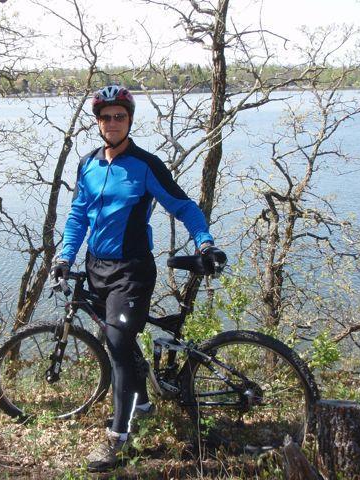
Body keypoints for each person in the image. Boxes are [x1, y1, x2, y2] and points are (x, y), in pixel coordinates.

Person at [50, 85, 227, 472]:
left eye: (120, 116)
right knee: (120, 339)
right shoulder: (88, 164)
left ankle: (118, 436)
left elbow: (183, 206)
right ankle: (143, 403)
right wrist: (65, 255)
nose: (112, 123)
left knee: (116, 343)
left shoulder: (146, 164)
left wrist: (205, 243)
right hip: (97, 268)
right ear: (97, 122)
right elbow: (78, 215)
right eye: (106, 117)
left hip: (131, 271)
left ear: (129, 120)